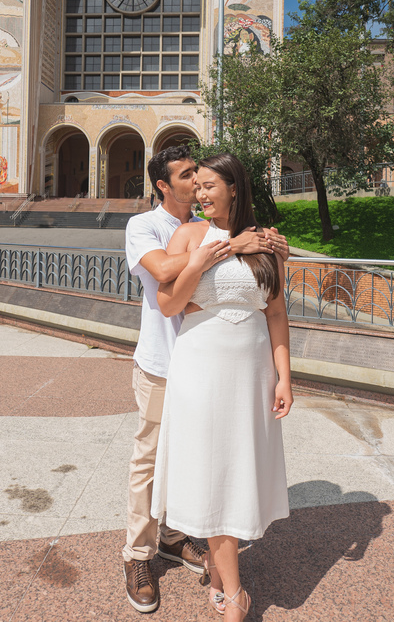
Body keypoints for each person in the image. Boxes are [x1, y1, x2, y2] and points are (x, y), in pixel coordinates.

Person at [123, 145, 288, 614]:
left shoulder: (247, 238)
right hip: (166, 361)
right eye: (188, 178)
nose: (196, 184)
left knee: (210, 469)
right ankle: (139, 555)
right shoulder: (148, 227)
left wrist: (283, 376)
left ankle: (190, 549)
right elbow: (164, 283)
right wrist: (231, 246)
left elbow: (274, 307)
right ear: (164, 184)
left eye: (203, 178)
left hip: (235, 368)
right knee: (152, 463)